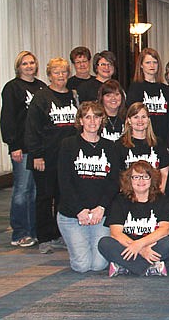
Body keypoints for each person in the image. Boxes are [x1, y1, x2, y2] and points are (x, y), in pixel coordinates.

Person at [57, 101, 120, 272]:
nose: (92, 121)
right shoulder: (68, 145)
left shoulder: (111, 147)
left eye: (97, 116)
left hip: (100, 215)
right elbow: (64, 182)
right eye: (88, 117)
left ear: (102, 120)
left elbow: (114, 182)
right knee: (82, 266)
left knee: (99, 265)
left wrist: (102, 208)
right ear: (81, 120)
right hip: (73, 215)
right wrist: (79, 210)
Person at [25, 58, 79, 254]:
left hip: (67, 158)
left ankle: (59, 234)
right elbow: (32, 129)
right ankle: (45, 237)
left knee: (63, 197)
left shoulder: (74, 97)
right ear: (49, 75)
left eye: (64, 72)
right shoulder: (41, 97)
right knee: (45, 198)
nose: (61, 76)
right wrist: (37, 155)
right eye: (56, 72)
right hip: (45, 158)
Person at [1, 51, 46, 247]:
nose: (29, 66)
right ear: (18, 67)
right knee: (21, 190)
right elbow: (8, 118)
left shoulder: (42, 87)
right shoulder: (12, 88)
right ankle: (19, 232)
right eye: (24, 63)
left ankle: (33, 230)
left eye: (31, 63)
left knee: (35, 191)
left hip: (39, 148)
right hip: (22, 148)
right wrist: (14, 145)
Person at [98, 161, 169, 277]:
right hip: (127, 246)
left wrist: (140, 245)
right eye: (136, 177)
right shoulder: (120, 200)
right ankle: (148, 267)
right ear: (130, 180)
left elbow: (165, 229)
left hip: (151, 245)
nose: (141, 181)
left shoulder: (161, 199)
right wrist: (141, 250)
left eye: (145, 177)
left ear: (151, 179)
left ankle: (126, 266)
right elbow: (115, 233)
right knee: (105, 243)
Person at [126, 48, 169, 150]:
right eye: (148, 62)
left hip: (163, 141)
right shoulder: (135, 88)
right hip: (143, 140)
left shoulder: (166, 90)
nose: (152, 66)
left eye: (155, 62)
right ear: (141, 65)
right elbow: (132, 116)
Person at [116, 102, 169, 192]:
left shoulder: (159, 144)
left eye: (143, 117)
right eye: (136, 117)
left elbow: (165, 174)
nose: (140, 121)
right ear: (129, 120)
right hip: (128, 199)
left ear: (148, 120)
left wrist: (158, 196)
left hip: (154, 197)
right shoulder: (119, 145)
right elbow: (118, 176)